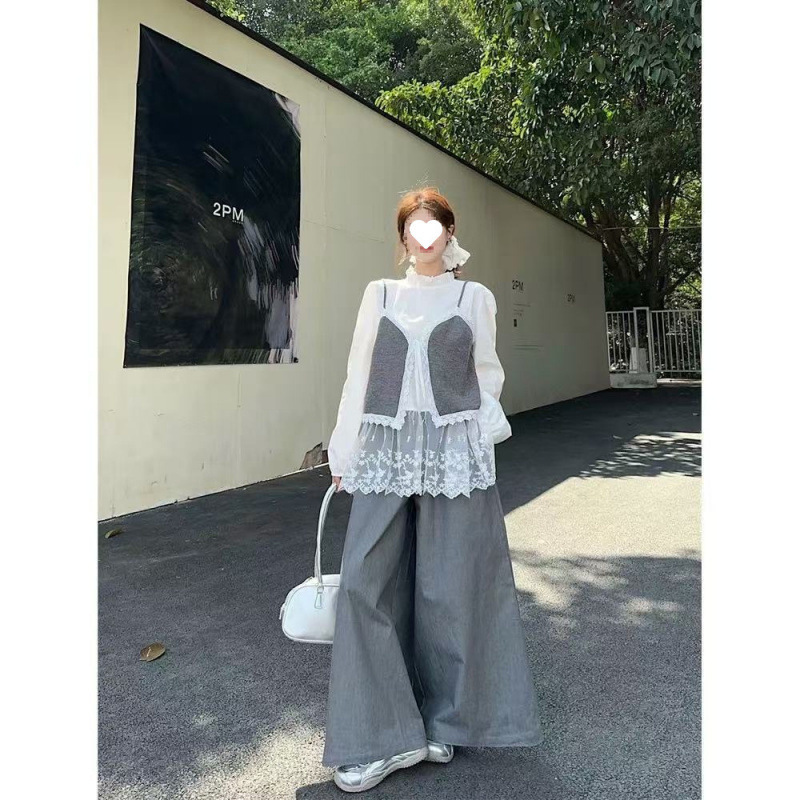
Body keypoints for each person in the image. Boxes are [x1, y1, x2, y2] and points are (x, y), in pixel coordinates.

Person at [323, 186, 543, 792]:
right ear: (403, 239)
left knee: (449, 586)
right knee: (364, 582)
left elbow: (487, 375)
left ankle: (443, 720)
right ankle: (382, 736)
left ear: (449, 233)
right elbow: (358, 374)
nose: (423, 237)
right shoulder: (380, 294)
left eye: (433, 226)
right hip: (385, 446)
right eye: (413, 228)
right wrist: (343, 449)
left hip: (452, 451)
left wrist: (480, 436)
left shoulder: (475, 298)